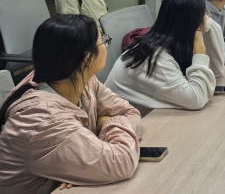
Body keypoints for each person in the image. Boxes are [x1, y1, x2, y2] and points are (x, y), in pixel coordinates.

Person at [0, 14, 141, 193]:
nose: (107, 45)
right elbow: (122, 162)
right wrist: (106, 124)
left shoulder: (84, 81)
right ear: (87, 59)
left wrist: (85, 161)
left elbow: (130, 113)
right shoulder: (42, 119)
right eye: (104, 41)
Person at [105, 0, 225, 112]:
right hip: (123, 119)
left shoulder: (170, 42)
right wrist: (200, 53)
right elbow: (196, 99)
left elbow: (217, 71)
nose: (206, 19)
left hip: (143, 116)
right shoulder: (156, 58)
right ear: (193, 24)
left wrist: (204, 27)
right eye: (204, 15)